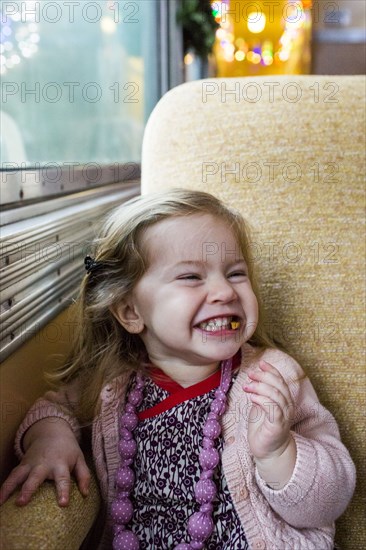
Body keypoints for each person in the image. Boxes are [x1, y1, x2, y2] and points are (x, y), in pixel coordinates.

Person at [0, 189, 356, 549]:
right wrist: (50, 439)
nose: (224, 292)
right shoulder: (111, 388)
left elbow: (329, 502)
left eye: (235, 274)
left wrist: (279, 453)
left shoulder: (273, 376)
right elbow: (55, 407)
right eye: (191, 277)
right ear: (131, 313)